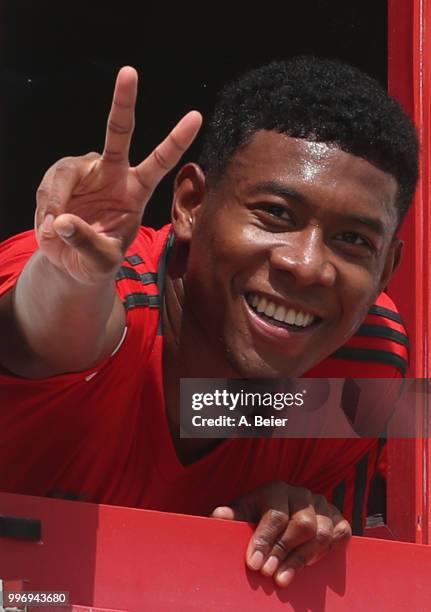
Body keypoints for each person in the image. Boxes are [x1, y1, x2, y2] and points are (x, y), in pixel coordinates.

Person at [0, 57, 417, 587]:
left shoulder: (366, 360)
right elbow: (50, 335)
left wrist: (281, 515)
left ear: (388, 269)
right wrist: (75, 279)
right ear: (191, 203)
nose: (307, 265)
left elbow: (221, 413)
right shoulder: (102, 297)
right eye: (276, 214)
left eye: (353, 240)